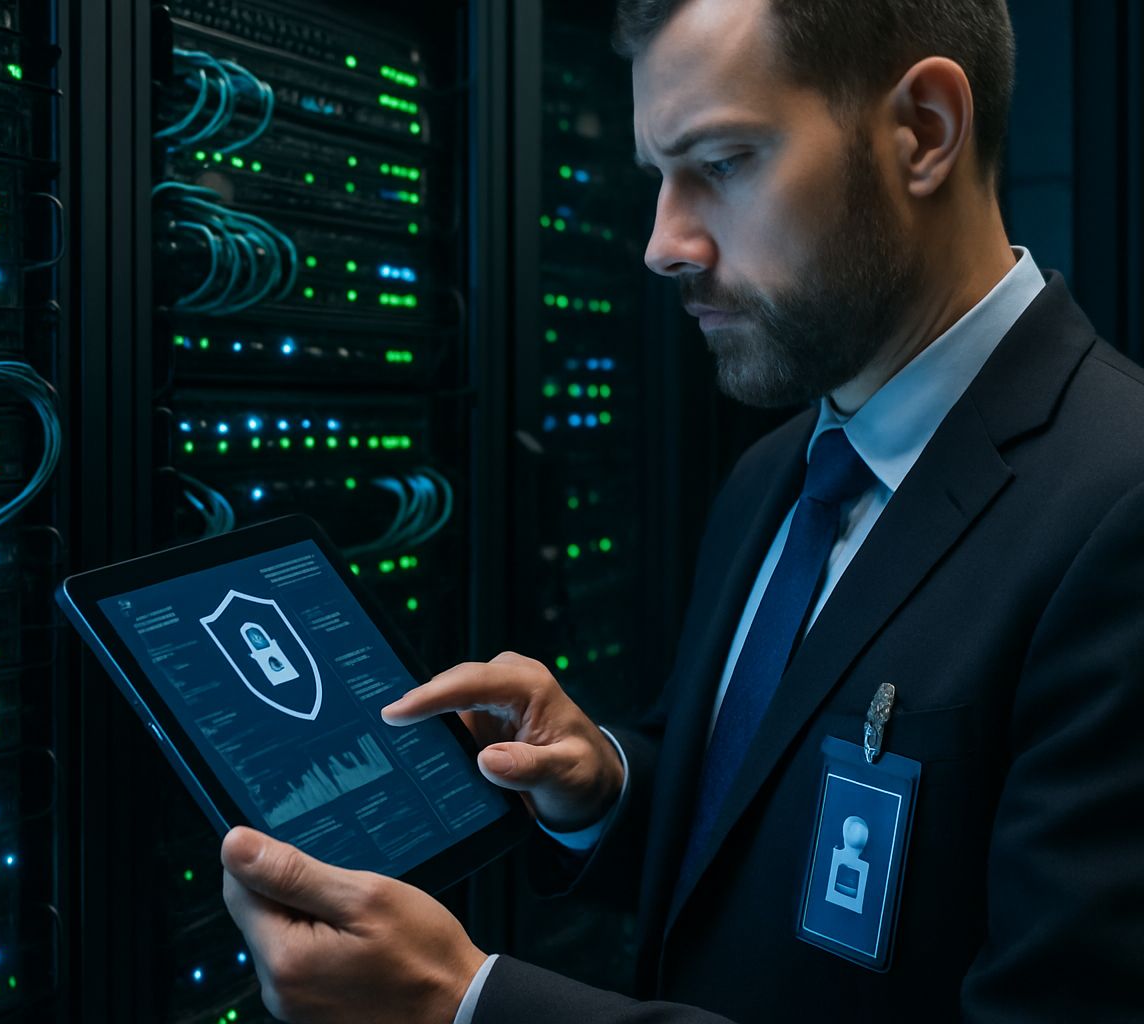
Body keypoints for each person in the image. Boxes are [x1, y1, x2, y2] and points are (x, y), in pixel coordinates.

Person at [218, 0, 1144, 1019]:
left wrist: (466, 1001)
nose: (662, 243)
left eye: (723, 162)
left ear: (923, 129)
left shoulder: (1116, 507)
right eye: (658, 176)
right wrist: (610, 789)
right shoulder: (779, 474)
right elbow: (757, 834)